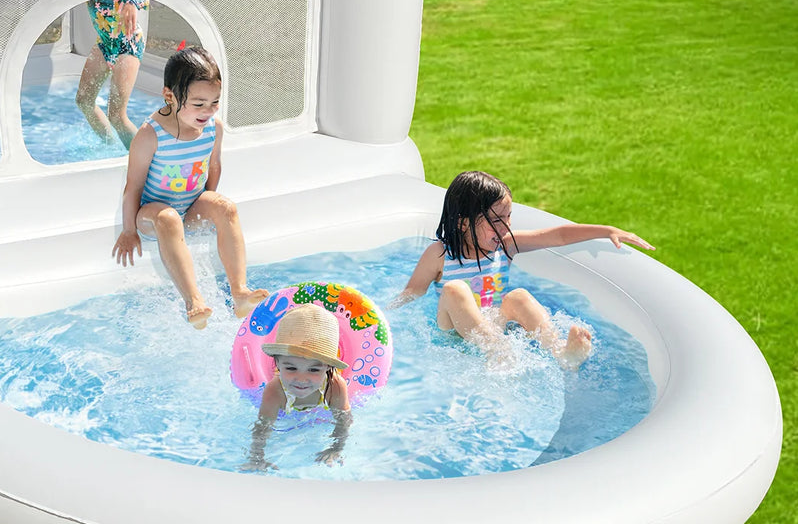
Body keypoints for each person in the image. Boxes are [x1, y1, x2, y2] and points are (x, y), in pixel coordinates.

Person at [396, 170, 655, 369]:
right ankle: (500, 352)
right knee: (455, 289)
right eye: (496, 220)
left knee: (518, 296)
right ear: (463, 223)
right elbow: (410, 295)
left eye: (508, 216)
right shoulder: (439, 254)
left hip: (493, 328)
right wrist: (384, 323)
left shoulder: (505, 245)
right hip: (454, 334)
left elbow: (558, 236)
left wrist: (606, 230)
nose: (505, 226)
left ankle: (561, 353)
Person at [112, 45, 268, 328]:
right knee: (169, 218)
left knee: (226, 207)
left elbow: (214, 165)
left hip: (189, 207)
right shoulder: (150, 135)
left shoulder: (213, 128)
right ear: (170, 96)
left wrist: (209, 205)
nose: (207, 111)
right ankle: (194, 301)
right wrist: (129, 230)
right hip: (153, 214)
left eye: (214, 102)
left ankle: (239, 292)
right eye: (198, 104)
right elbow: (132, 187)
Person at [242, 304, 353, 472]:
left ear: (328, 367)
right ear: (277, 363)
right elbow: (263, 427)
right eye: (291, 368)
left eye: (314, 370)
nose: (301, 379)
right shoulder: (275, 390)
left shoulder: (335, 386)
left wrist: (336, 449)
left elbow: (344, 421)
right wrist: (256, 458)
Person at [76, 0, 147, 148]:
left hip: (128, 42)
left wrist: (132, 2)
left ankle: (143, 157)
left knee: (117, 116)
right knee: (84, 101)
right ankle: (111, 148)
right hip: (105, 42)